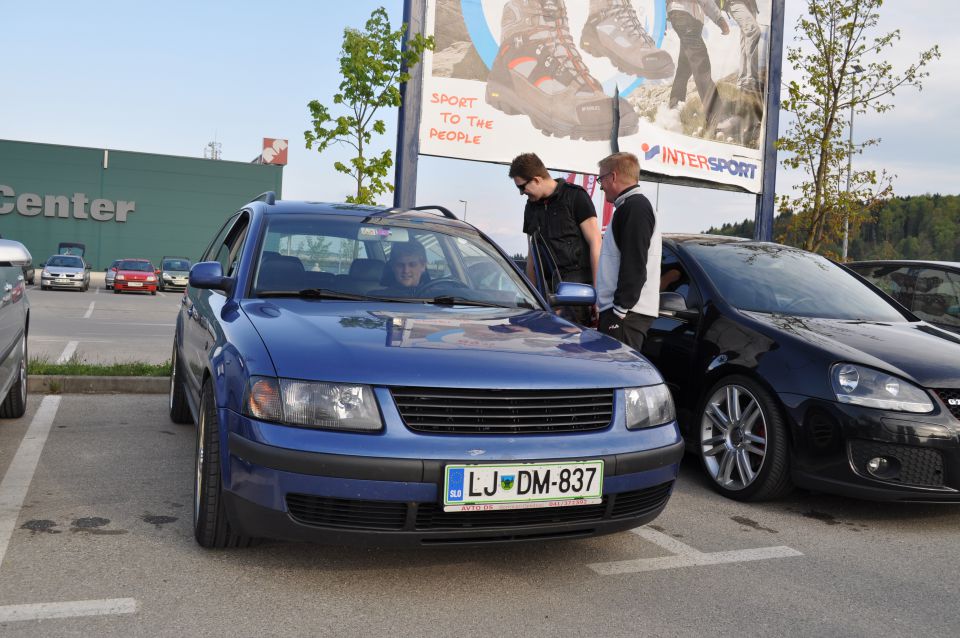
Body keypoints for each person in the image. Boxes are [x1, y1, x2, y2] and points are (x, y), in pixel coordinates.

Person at [510, 153, 601, 326]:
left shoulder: (576, 197)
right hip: (546, 296)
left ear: (536, 180)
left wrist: (597, 294)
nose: (522, 193)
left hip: (577, 296)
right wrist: (531, 295)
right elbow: (532, 254)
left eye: (522, 187)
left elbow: (596, 243)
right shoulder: (530, 207)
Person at [594, 152, 661, 350]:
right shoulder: (630, 207)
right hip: (625, 313)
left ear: (613, 177)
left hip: (626, 315)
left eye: (601, 178)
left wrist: (619, 310)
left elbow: (635, 263)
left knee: (616, 375)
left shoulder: (635, 208)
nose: (600, 185)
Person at [667, 0, 730, 133]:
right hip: (685, 15)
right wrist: (719, 19)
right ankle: (717, 120)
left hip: (685, 17)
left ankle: (673, 112)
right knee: (701, 66)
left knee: (685, 68)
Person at [717, 0, 762, 93]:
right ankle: (750, 80)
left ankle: (743, 80)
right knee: (753, 31)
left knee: (747, 38)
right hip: (735, 2)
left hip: (751, 4)